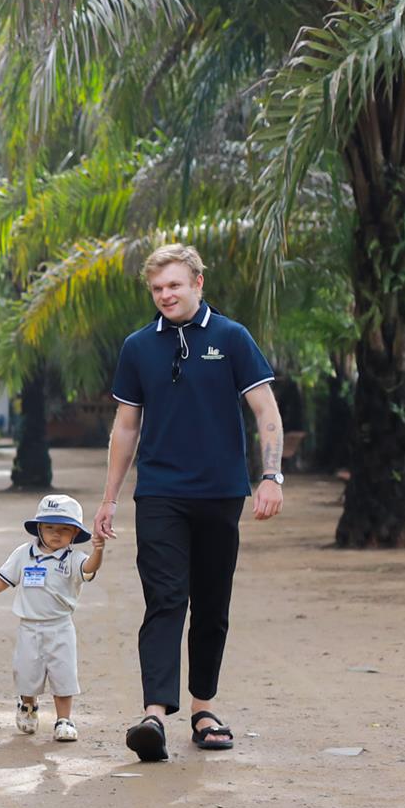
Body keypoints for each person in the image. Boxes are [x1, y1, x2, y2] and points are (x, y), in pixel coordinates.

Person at [91, 244, 285, 762]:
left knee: (212, 604)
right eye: (157, 288)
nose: (165, 295)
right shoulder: (138, 346)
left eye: (174, 285)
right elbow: (126, 427)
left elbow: (265, 410)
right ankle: (154, 715)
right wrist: (109, 498)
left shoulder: (232, 337)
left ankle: (203, 709)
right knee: (165, 597)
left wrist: (271, 476)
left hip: (221, 493)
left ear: (198, 283)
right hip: (160, 493)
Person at [0, 495, 105, 742]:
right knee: (26, 672)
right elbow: (5, 578)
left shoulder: (74, 558)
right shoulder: (24, 554)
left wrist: (98, 551)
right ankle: (28, 705)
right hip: (29, 627)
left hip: (60, 627)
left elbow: (89, 569)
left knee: (63, 675)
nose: (56, 534)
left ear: (75, 533)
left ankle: (64, 719)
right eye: (50, 527)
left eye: (64, 529)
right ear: (39, 529)